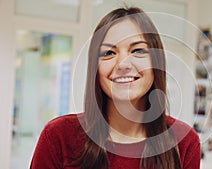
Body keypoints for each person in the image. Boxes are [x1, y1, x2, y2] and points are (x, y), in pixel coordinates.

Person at [30, 7, 201, 169]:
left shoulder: (184, 141)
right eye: (109, 53)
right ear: (95, 69)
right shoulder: (59, 136)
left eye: (138, 50)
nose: (123, 64)